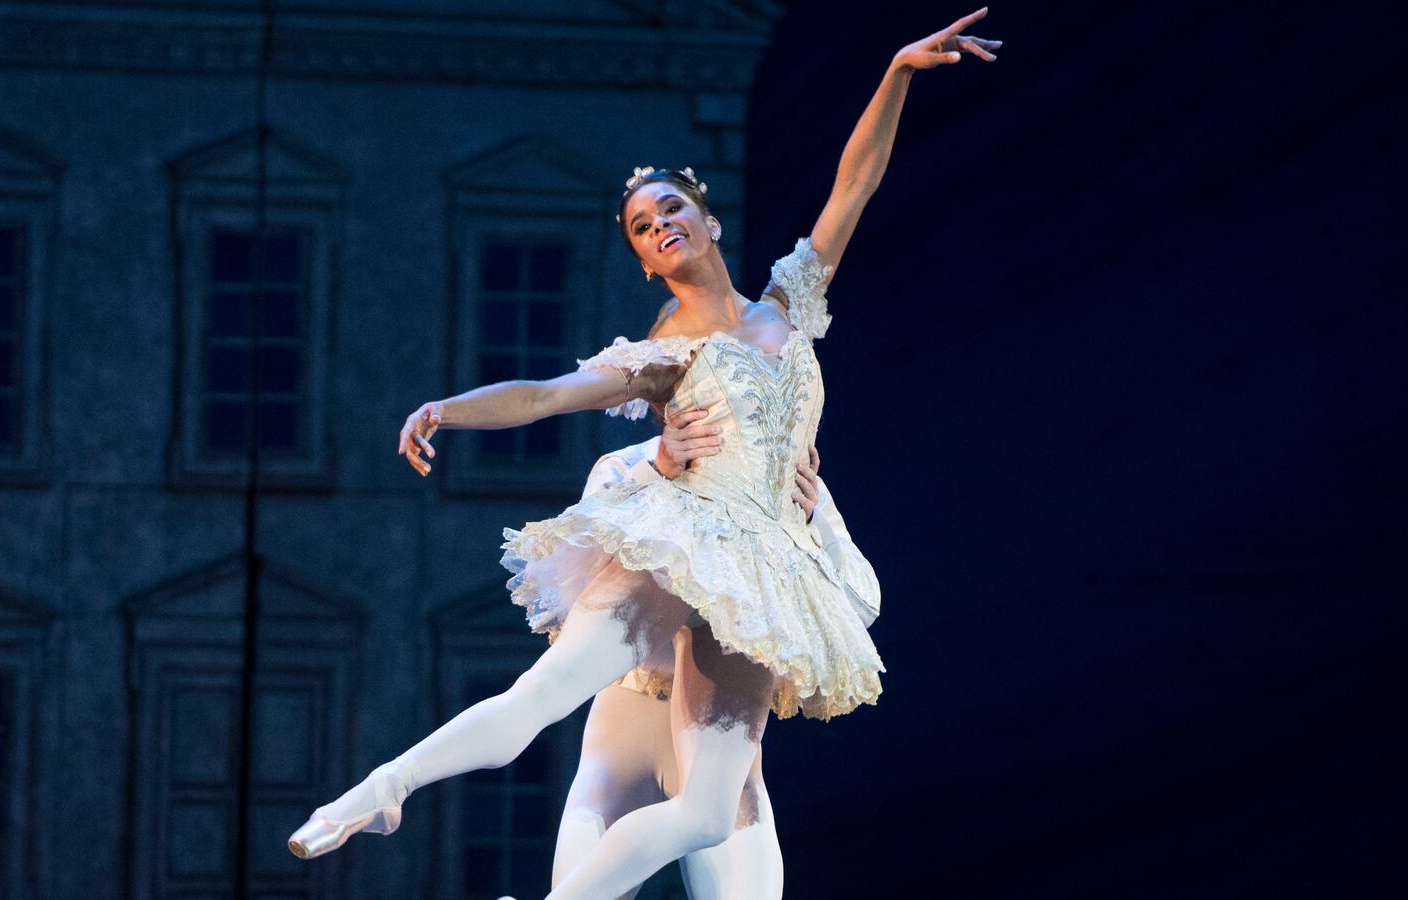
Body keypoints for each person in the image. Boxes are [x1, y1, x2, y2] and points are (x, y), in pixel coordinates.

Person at [289, 10, 998, 899]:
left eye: (671, 208)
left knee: (708, 813)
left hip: (764, 575)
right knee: (537, 702)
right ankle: (382, 790)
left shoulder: (791, 306)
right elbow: (546, 395)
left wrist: (895, 71)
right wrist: (447, 409)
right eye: (639, 225)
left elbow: (852, 188)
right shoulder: (662, 353)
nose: (659, 223)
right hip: (685, 544)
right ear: (643, 259)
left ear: (706, 219)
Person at [551, 411, 879, 900]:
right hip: (628, 726)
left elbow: (864, 604)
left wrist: (811, 529)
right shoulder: (627, 464)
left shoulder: (789, 484)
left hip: (723, 737)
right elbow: (579, 585)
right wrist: (656, 474)